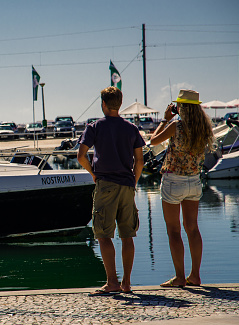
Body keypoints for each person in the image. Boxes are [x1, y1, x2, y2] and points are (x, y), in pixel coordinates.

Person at [77, 86, 145, 295]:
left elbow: (81, 156)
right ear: (120, 104)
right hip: (127, 185)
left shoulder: (94, 127)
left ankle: (112, 282)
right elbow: (140, 161)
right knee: (127, 235)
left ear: (104, 104)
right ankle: (126, 283)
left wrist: (93, 174)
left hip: (105, 184)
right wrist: (133, 181)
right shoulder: (131, 128)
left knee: (103, 235)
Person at [150, 89, 214, 288]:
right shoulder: (204, 127)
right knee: (192, 229)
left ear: (181, 107)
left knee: (174, 230)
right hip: (194, 181)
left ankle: (179, 277)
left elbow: (153, 141)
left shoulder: (176, 125)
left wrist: (164, 119)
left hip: (173, 181)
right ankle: (195, 275)